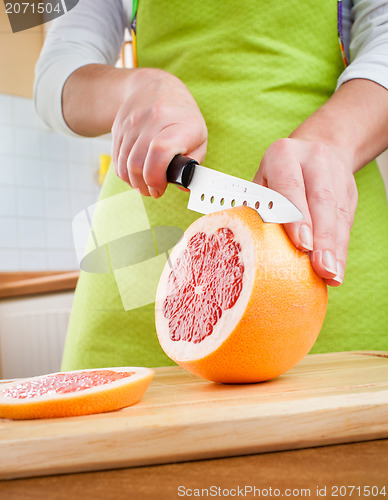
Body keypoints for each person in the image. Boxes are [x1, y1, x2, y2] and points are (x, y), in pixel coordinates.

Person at [34, 0, 388, 370]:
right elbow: (54, 72)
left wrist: (333, 140)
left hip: (323, 241)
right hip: (136, 256)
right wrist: (134, 88)